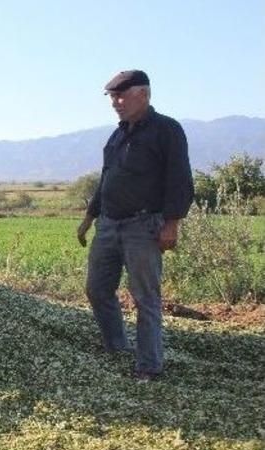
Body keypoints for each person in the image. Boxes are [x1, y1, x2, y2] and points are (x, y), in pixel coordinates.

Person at [76, 70, 194, 381]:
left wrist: (172, 224)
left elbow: (180, 179)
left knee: (145, 297)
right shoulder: (117, 135)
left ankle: (149, 366)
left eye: (121, 95)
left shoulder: (166, 130)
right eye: (113, 97)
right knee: (97, 289)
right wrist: (89, 217)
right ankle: (117, 346)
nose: (116, 102)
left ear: (143, 94)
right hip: (109, 225)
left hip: (143, 225)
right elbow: (106, 180)